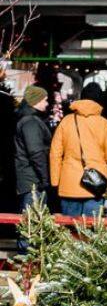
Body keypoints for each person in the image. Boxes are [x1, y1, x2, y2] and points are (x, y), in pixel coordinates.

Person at [49, 83, 107, 218]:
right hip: (96, 185)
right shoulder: (105, 124)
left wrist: (55, 181)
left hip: (69, 184)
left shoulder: (66, 121)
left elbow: (55, 154)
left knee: (69, 231)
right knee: (91, 230)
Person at [12, 86, 52, 214]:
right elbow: (36, 152)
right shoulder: (31, 122)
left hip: (30, 178)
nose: (47, 103)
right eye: (45, 100)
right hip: (33, 181)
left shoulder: (28, 119)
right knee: (32, 224)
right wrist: (45, 178)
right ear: (36, 101)